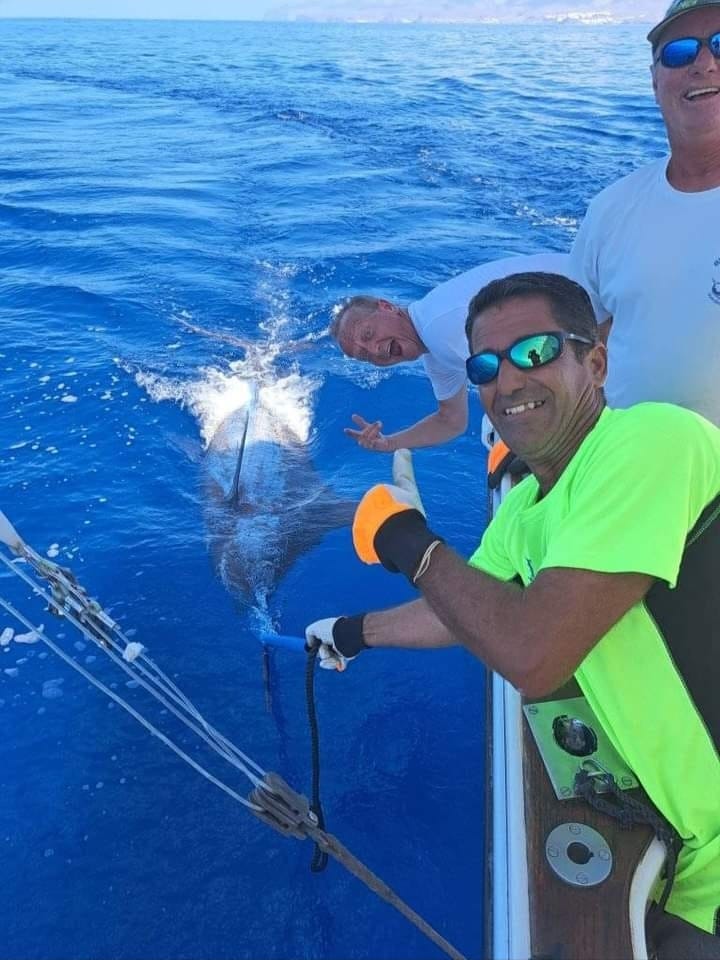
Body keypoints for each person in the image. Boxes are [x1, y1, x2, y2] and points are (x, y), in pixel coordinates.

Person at [307, 272, 720, 957]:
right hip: (688, 856)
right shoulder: (524, 511)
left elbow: (533, 653)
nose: (508, 380)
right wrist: (355, 632)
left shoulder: (652, 441)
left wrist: (407, 541)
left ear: (596, 361)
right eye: (486, 367)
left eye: (536, 351)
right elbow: (463, 612)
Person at [569, 0, 720, 426]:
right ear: (655, 82)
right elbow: (582, 337)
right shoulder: (610, 209)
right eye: (679, 52)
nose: (704, 63)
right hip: (630, 460)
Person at [332, 252, 568, 451]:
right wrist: (389, 443)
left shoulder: (438, 328)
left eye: (368, 334)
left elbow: (523, 378)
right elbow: (451, 420)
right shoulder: (434, 348)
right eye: (364, 356)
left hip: (586, 299)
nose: (375, 350)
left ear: (387, 307)